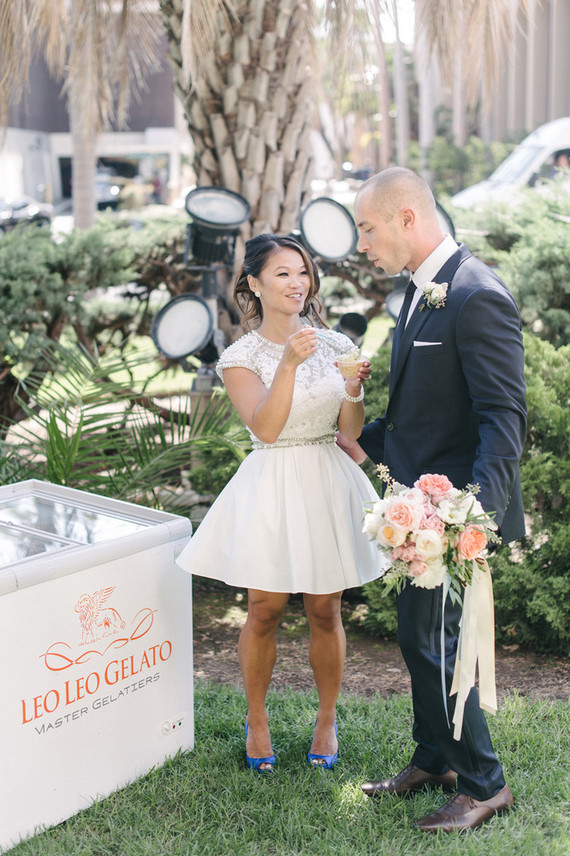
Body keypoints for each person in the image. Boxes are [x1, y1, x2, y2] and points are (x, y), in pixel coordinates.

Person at [337, 167, 527, 832]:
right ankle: (436, 759)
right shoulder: (416, 295)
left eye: (368, 226)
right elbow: (420, 417)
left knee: (441, 645)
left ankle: (484, 783)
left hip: (453, 517)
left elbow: (504, 417)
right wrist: (355, 433)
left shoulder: (475, 296)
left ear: (408, 218)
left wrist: (474, 514)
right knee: (418, 640)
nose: (361, 242)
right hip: (414, 513)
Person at [176, 233, 385, 772]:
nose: (297, 284)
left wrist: (355, 390)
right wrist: (289, 365)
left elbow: (350, 430)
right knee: (264, 609)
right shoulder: (240, 356)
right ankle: (258, 718)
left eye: (303, 273)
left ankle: (326, 718)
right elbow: (266, 430)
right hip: (271, 483)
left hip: (325, 476)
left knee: (324, 607)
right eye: (283, 274)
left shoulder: (337, 344)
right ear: (254, 283)